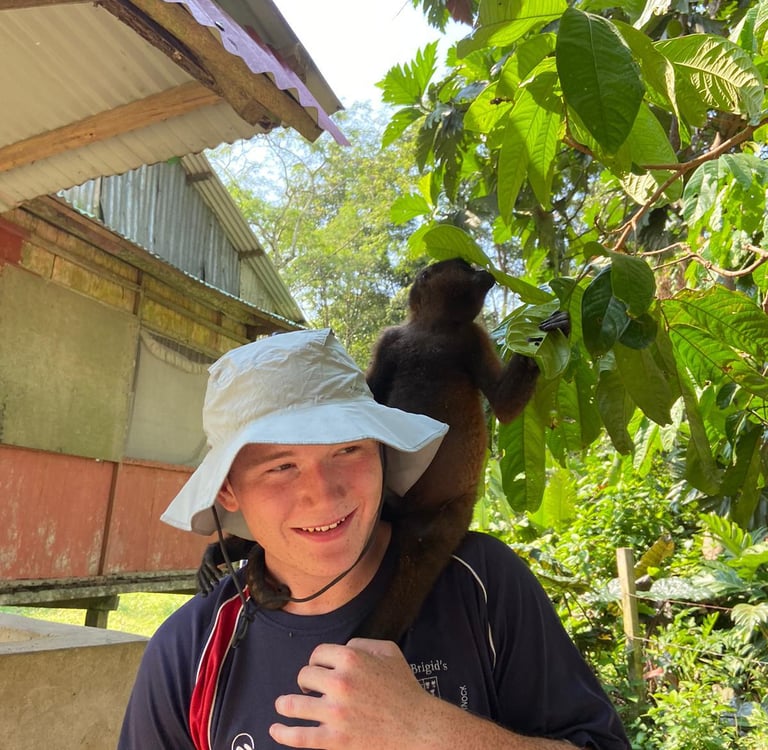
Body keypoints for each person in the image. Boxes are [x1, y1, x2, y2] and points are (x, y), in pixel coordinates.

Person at [118, 327, 630, 750]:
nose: (324, 495)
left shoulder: (481, 584)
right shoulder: (187, 655)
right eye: (281, 466)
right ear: (228, 490)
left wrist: (431, 732)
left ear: (382, 454)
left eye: (347, 451)